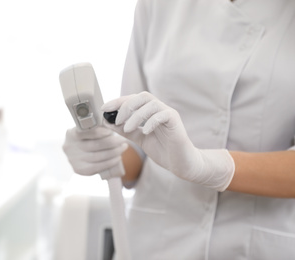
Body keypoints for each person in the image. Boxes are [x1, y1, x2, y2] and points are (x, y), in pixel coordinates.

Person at [62, 0, 295, 259]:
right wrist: (102, 150)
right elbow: (135, 144)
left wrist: (206, 166)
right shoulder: (158, 5)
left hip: (257, 243)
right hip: (156, 241)